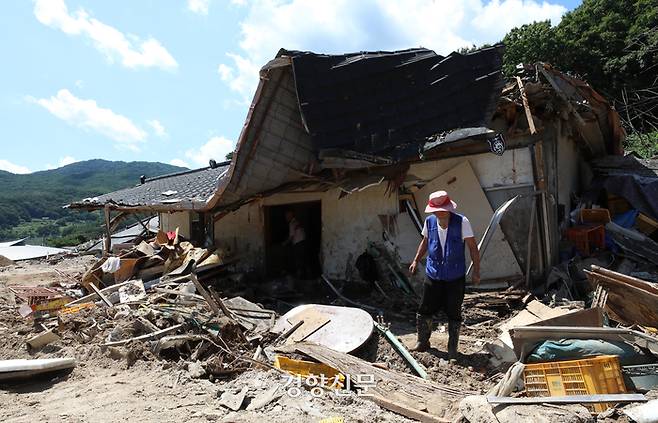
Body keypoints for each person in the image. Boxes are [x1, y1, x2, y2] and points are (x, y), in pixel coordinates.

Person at [408, 190, 480, 359]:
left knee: (454, 311)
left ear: (448, 209)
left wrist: (476, 271)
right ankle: (423, 342)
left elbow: (472, 247)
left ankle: (452, 348)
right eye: (435, 211)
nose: (438, 213)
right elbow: (425, 241)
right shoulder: (430, 221)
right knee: (425, 308)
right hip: (433, 272)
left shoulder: (462, 222)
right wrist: (416, 260)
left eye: (441, 210)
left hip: (455, 275)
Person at [284, 210, 307, 278]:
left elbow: (291, 236)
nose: (286, 218)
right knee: (303, 259)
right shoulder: (298, 222)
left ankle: (299, 277)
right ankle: (305, 275)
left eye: (286, 216)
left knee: (298, 260)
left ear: (290, 216)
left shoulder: (292, 223)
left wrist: (284, 243)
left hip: (298, 244)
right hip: (303, 242)